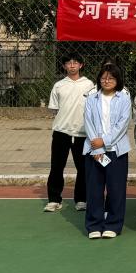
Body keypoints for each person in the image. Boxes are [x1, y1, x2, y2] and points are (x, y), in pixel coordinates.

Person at [82, 63, 132, 239]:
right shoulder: (91, 99)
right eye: (103, 78)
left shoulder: (124, 99)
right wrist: (97, 147)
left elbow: (122, 124)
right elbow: (88, 122)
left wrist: (104, 141)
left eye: (111, 78)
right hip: (94, 151)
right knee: (94, 190)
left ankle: (113, 224)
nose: (107, 81)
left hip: (116, 151)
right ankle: (94, 225)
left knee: (116, 189)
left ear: (117, 80)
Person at [44, 52, 95, 213]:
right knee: (57, 167)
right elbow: (54, 109)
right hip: (61, 132)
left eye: (75, 62)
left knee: (83, 168)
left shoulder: (89, 84)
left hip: (82, 133)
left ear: (81, 65)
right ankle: (54, 199)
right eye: (69, 63)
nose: (72, 65)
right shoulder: (59, 85)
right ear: (64, 66)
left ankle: (81, 199)